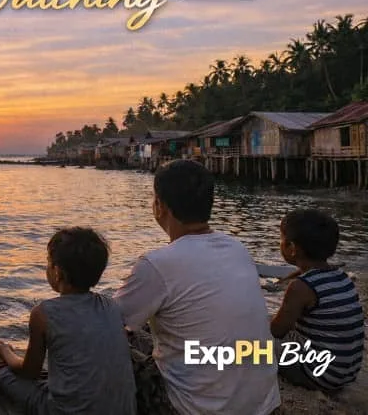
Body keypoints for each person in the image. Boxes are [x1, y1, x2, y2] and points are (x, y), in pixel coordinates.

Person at [113, 160, 280, 415]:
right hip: (263, 404)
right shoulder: (237, 248)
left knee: (110, 344)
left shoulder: (156, 265)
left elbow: (106, 321)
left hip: (194, 409)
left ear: (160, 206)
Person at [0, 227, 137, 415]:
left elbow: (29, 372)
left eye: (48, 262)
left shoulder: (43, 314)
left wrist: (5, 351)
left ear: (57, 272)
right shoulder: (112, 307)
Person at [270, 209, 364, 391]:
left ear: (292, 248)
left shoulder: (301, 287)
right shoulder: (341, 276)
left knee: (252, 345)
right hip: (346, 372)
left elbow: (276, 331)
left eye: (281, 239)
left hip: (320, 376)